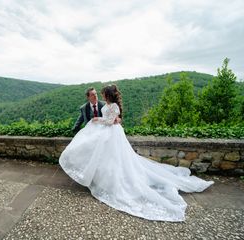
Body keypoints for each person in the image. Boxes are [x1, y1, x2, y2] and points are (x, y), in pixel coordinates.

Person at [59, 84, 214, 222]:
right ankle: (96, 176)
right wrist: (106, 120)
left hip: (111, 133)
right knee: (101, 155)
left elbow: (111, 120)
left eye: (102, 94)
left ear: (107, 95)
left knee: (114, 158)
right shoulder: (103, 105)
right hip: (105, 131)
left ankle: (110, 181)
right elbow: (109, 118)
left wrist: (99, 120)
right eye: (96, 94)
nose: (99, 96)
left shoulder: (113, 106)